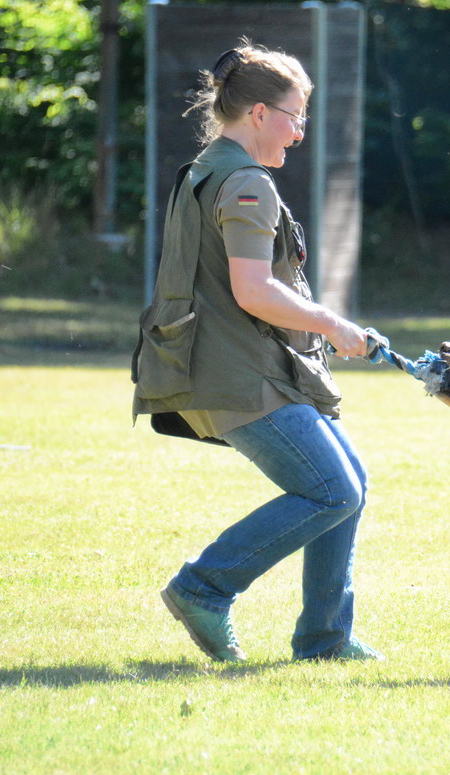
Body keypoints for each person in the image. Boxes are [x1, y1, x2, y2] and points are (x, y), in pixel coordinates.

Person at [132, 41, 381, 664]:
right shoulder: (245, 182)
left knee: (349, 481)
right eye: (295, 117)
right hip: (235, 376)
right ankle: (204, 587)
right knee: (333, 491)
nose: (299, 134)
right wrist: (332, 324)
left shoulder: (204, 170)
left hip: (225, 368)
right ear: (261, 115)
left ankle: (325, 638)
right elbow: (253, 290)